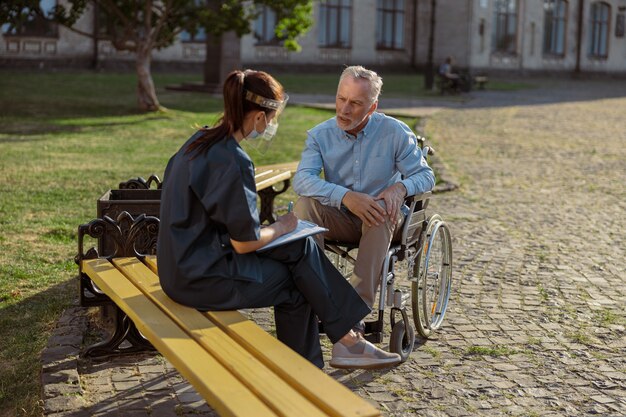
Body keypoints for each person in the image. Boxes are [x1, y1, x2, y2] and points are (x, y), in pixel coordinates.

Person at [157, 69, 401, 370]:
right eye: (273, 117)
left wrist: (281, 231)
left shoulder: (199, 142)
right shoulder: (233, 160)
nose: (272, 125)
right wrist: (282, 226)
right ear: (259, 116)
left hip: (182, 266)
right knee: (299, 281)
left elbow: (225, 225)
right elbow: (245, 243)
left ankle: (343, 342)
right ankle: (324, 359)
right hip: (200, 278)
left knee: (300, 250)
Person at [292, 66, 435, 332]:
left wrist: (400, 189)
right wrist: (346, 197)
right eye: (340, 99)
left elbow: (426, 176)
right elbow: (302, 181)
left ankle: (352, 313)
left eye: (355, 103)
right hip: (341, 217)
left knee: (381, 210)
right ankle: (315, 297)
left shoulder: (394, 132)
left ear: (372, 107)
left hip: (386, 221)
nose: (344, 110)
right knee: (304, 206)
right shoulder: (319, 135)